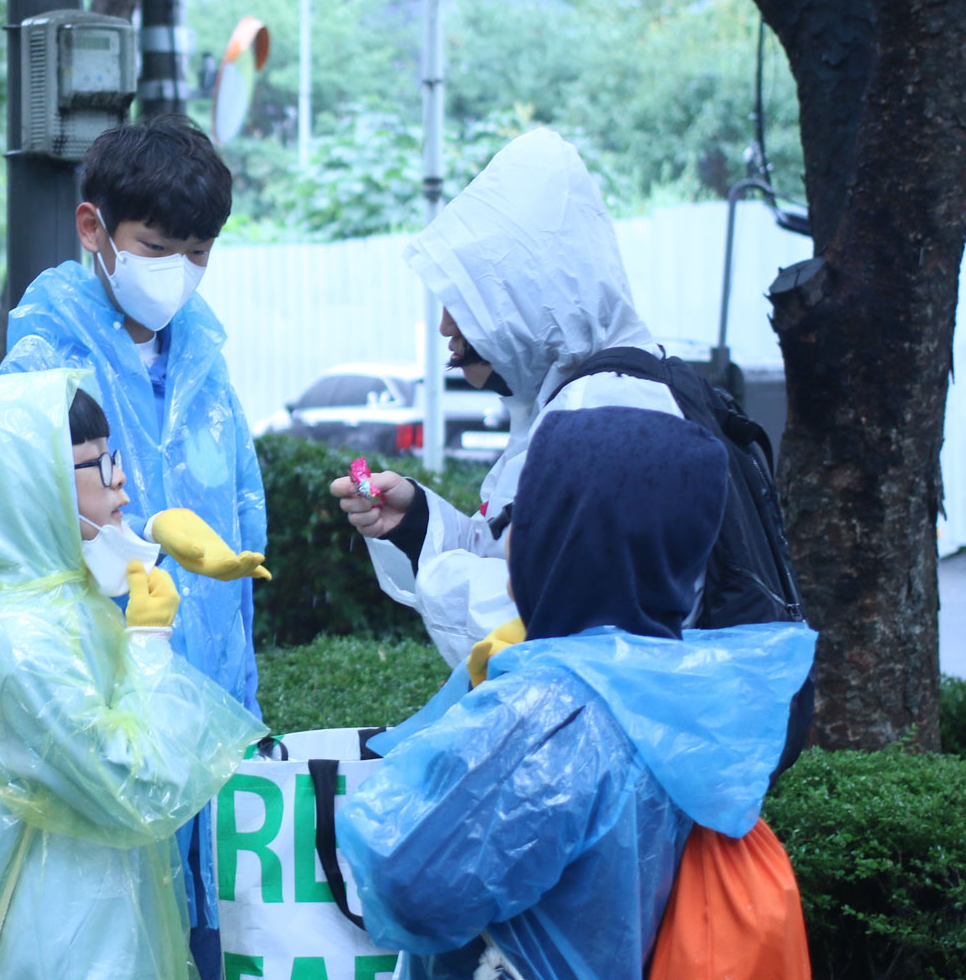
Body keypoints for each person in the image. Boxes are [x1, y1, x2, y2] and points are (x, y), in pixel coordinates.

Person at [335, 407, 815, 980]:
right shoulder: (681, 693)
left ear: (556, 539)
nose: (507, 539)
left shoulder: (549, 718)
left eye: (521, 517)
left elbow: (412, 889)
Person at [0, 115, 263, 974]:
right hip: (107, 708)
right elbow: (29, 524)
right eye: (156, 248)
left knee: (210, 934)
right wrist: (137, 547)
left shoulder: (204, 359)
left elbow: (242, 514)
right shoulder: (43, 358)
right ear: (93, 229)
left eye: (198, 252)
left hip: (208, 703)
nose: (177, 271)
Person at [0, 370, 265, 980]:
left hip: (96, 929)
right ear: (34, 484)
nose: (120, 479)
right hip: (60, 946)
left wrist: (150, 533)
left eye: (112, 457)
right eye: (98, 463)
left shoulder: (57, 598)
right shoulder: (22, 644)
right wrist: (148, 645)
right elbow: (137, 786)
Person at [328, 128, 690, 669]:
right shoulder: (573, 399)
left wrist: (440, 577)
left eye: (465, 302)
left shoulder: (605, 417)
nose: (446, 326)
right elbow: (513, 552)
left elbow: (552, 624)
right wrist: (415, 521)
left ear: (527, 296)